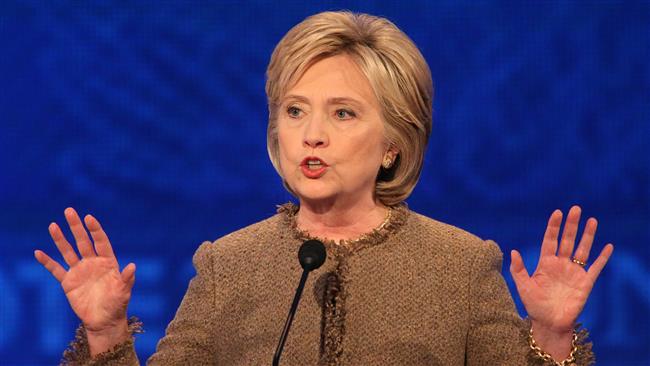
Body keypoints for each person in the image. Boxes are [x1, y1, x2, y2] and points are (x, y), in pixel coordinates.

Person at [35, 11, 613, 365]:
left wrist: (551, 334)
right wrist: (107, 332)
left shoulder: (460, 266)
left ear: (394, 143)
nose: (311, 136)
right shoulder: (228, 264)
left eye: (342, 114)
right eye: (294, 111)